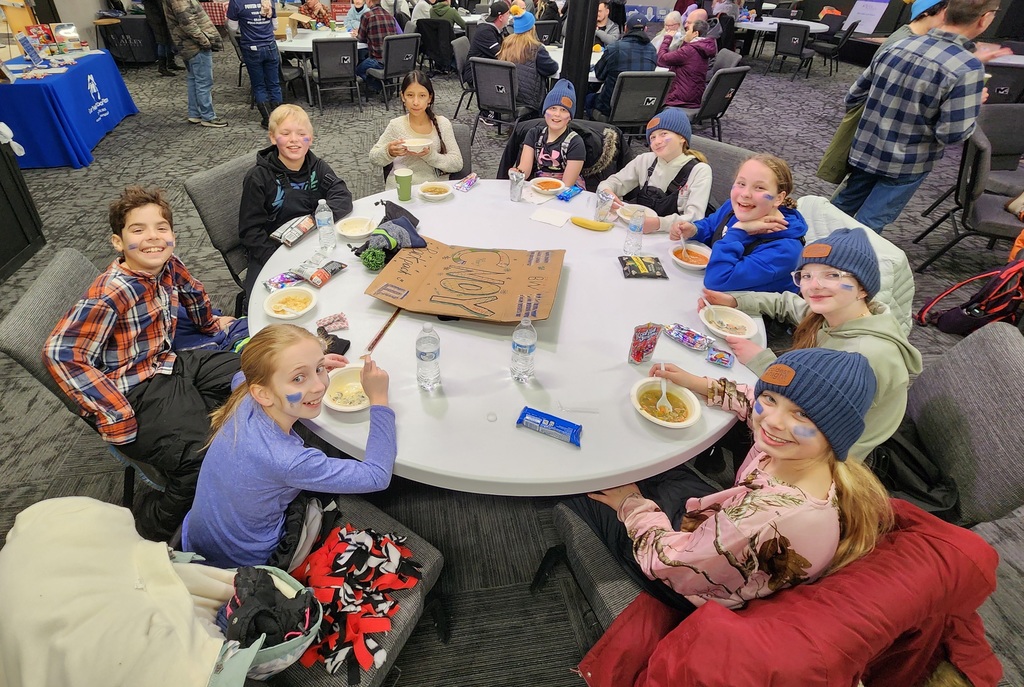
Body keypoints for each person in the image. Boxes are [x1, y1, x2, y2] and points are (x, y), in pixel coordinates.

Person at [567, 347, 893, 613]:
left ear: (835, 432)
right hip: (720, 527)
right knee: (648, 460)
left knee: (585, 479)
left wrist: (630, 504)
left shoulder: (770, 516)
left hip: (692, 584)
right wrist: (698, 383)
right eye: (773, 400)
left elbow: (670, 562)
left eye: (802, 415)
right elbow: (754, 400)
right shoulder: (811, 458)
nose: (773, 422)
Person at [44, 186, 241, 542]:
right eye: (138, 230)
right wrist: (116, 415)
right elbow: (61, 353)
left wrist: (211, 325)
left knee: (255, 373)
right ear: (118, 242)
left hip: (166, 362)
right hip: (133, 390)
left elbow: (193, 290)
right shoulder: (112, 292)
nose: (153, 237)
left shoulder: (167, 264)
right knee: (204, 457)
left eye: (161, 228)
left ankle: (229, 448)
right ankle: (151, 528)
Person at [181, 325, 396, 568]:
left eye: (319, 370)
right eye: (298, 378)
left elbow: (240, 376)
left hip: (196, 540)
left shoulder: (245, 394)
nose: (318, 386)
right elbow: (377, 476)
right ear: (263, 394)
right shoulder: (289, 460)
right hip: (248, 564)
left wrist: (305, 366)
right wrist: (379, 400)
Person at [700, 227, 923, 460]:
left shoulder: (862, 355)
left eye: (832, 275)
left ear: (863, 288)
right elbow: (788, 303)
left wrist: (762, 360)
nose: (814, 285)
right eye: (806, 276)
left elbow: (811, 405)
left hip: (829, 457)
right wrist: (736, 300)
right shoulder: (845, 313)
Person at [830, 0, 999, 233]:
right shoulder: (967, 67)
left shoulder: (899, 45)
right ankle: (842, 264)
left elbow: (853, 96)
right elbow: (951, 134)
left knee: (838, 209)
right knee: (869, 227)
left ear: (946, 12)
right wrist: (973, 104)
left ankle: (807, 254)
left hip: (866, 149)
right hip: (907, 162)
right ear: (985, 18)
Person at [239, 105, 353, 297]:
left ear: (311, 138)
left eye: (302, 134)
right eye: (285, 133)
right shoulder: (258, 178)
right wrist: (277, 260)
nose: (294, 140)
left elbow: (342, 197)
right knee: (270, 301)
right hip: (270, 250)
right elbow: (250, 232)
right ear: (273, 138)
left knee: (340, 288)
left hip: (312, 243)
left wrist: (310, 223)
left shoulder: (317, 167)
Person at [672, 153, 808, 293]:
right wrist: (695, 230)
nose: (745, 194)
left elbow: (717, 280)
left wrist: (739, 230)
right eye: (741, 184)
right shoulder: (736, 208)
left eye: (759, 188)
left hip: (743, 311)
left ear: (778, 198)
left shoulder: (785, 250)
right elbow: (712, 226)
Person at [596, 108, 712, 233]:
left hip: (673, 237)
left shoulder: (699, 170)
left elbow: (695, 219)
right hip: (637, 231)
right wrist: (607, 194)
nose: (657, 141)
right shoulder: (645, 160)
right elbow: (609, 183)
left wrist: (659, 224)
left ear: (682, 138)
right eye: (652, 137)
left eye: (664, 134)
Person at [369, 70, 464, 190]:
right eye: (410, 95)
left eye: (422, 96)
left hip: (434, 189)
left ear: (430, 98)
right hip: (402, 189)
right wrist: (389, 151)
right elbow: (373, 157)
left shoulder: (442, 124)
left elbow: (457, 164)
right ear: (403, 97)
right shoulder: (396, 125)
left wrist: (430, 155)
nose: (415, 102)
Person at [509, 79, 585, 189]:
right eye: (552, 108)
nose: (557, 114)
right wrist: (517, 172)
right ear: (545, 112)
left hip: (564, 192)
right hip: (539, 186)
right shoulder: (533, 134)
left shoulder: (576, 143)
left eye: (563, 110)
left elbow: (567, 184)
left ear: (570, 117)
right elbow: (525, 169)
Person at [164, 0, 227, 127]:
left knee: (194, 80)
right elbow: (188, 23)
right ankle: (208, 116)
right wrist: (205, 41)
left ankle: (195, 113)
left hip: (188, 45)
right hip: (194, 46)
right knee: (204, 82)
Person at [588, 12, 657, 120]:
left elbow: (599, 75)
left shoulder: (614, 48)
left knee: (587, 98)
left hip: (609, 109)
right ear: (646, 29)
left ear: (625, 28)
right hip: (639, 109)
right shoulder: (652, 50)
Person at [227, 0, 283, 129]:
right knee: (274, 84)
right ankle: (280, 120)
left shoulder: (236, 2)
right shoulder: (269, 1)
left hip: (251, 47)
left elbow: (233, 27)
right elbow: (275, 26)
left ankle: (268, 120)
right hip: (270, 46)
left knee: (259, 86)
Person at [496, 11, 558, 116]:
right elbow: (552, 68)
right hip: (528, 99)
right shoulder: (536, 48)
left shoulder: (507, 43)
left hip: (507, 95)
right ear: (532, 28)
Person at [658, 16, 716, 109]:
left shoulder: (689, 51)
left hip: (681, 97)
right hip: (695, 95)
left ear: (695, 33)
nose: (686, 32)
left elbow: (662, 59)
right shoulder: (702, 47)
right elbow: (683, 58)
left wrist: (667, 39)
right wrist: (685, 42)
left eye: (688, 30)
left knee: (653, 97)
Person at [356, 0, 399, 93]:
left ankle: (381, 86)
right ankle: (386, 82)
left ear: (369, 1)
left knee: (358, 71)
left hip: (377, 60)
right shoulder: (390, 16)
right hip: (392, 60)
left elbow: (361, 39)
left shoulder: (366, 16)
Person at [465, 0, 511, 86]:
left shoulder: (501, 28)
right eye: (508, 14)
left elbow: (510, 44)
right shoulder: (485, 32)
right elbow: (500, 54)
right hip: (476, 73)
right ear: (500, 17)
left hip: (489, 66)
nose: (509, 17)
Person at [144, 0, 181, 76]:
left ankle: (170, 62)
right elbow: (160, 4)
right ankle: (162, 67)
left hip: (160, 15)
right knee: (162, 41)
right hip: (157, 17)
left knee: (168, 39)